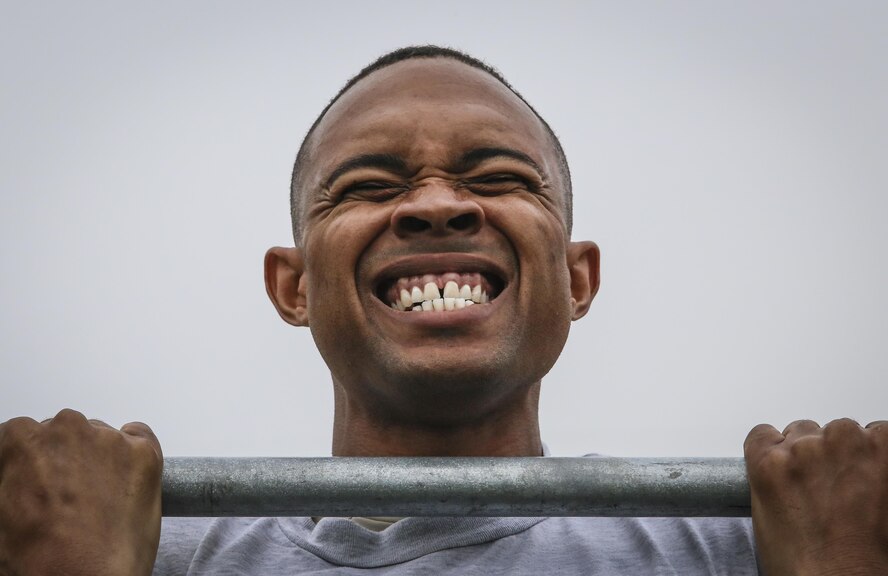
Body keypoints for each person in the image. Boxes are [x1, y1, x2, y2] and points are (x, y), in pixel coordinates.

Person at [1, 45, 886, 575]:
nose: (434, 204)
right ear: (294, 285)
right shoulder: (122, 549)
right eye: (367, 185)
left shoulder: (757, 546)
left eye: (498, 178)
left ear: (577, 279)